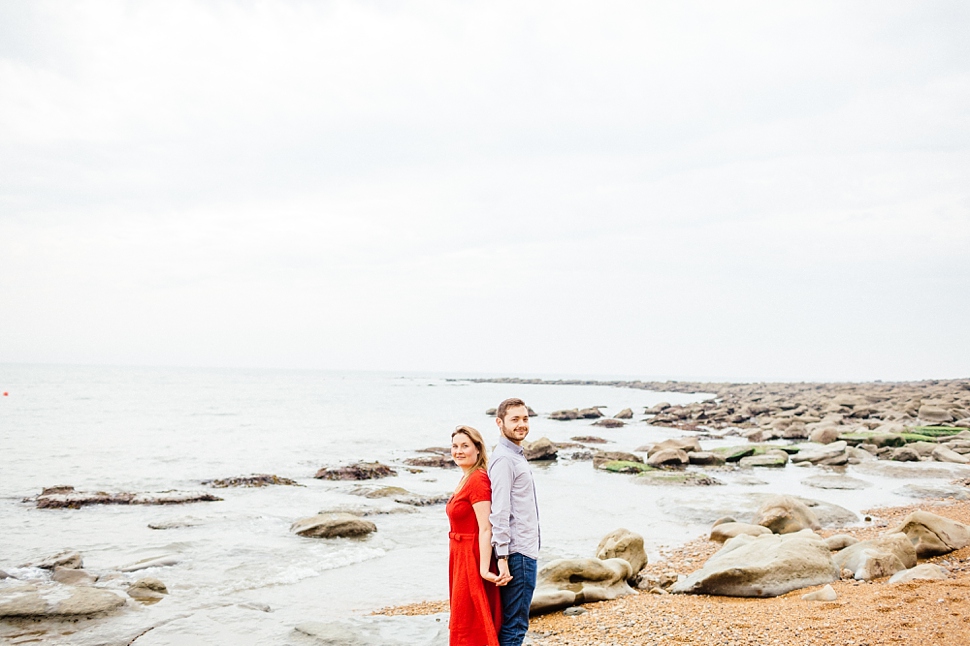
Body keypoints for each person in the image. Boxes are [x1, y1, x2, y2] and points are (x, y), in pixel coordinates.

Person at [447, 425, 510, 646]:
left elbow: (486, 528)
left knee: (471, 622)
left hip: (472, 557)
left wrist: (483, 569)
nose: (458, 451)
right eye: (455, 446)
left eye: (465, 445)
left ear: (478, 448)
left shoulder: (478, 480)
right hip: (459, 555)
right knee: (463, 618)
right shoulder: (465, 477)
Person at [488, 398, 540, 646]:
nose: (522, 425)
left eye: (525, 418)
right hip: (517, 553)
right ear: (500, 423)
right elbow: (499, 511)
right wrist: (503, 558)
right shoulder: (505, 460)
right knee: (516, 626)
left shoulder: (515, 456)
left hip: (523, 550)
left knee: (514, 623)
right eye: (515, 419)